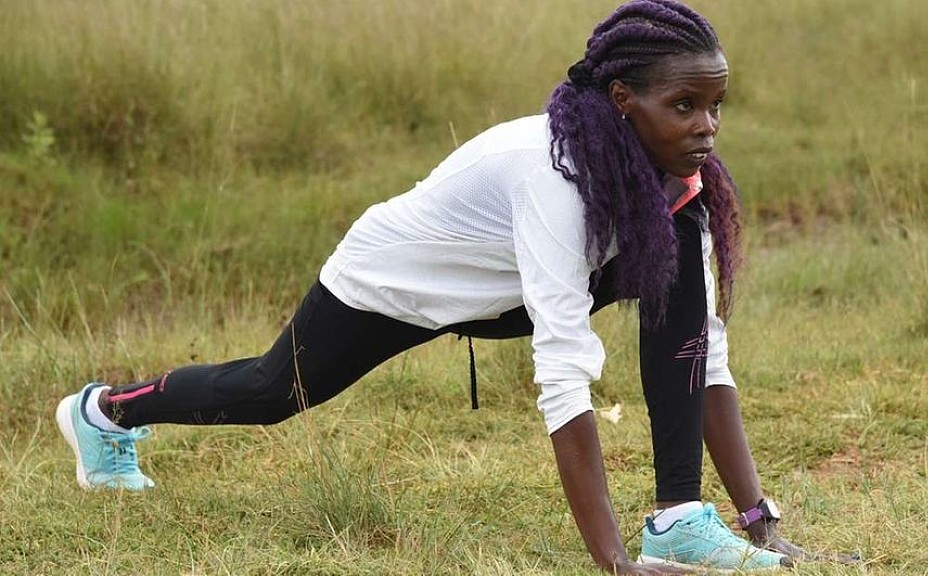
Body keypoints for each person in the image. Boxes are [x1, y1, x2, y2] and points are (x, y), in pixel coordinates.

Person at [56, 1, 807, 573]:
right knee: (269, 391)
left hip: (503, 288)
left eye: (715, 106)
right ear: (621, 99)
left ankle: (679, 519)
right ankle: (105, 412)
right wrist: (613, 564)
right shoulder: (554, 176)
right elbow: (562, 370)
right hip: (396, 283)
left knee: (681, 286)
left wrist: (759, 520)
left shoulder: (678, 181)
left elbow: (702, 350)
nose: (707, 126)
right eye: (683, 106)